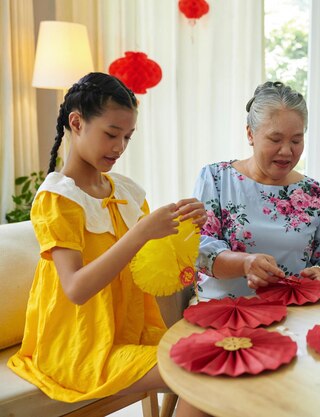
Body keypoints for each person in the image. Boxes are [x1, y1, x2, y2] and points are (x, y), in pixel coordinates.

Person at [8, 73, 208, 417]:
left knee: (216, 361)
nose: (119, 147)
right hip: (78, 347)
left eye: (127, 137)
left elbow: (151, 271)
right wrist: (141, 233)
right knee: (197, 372)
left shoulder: (127, 192)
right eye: (111, 134)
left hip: (132, 333)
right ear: (77, 123)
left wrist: (186, 228)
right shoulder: (58, 199)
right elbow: (75, 288)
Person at [193, 81, 320, 301]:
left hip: (294, 312)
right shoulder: (216, 179)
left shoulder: (316, 195)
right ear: (250, 134)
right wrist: (245, 264)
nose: (287, 151)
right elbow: (200, 250)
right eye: (275, 139)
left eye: (296, 140)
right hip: (225, 311)